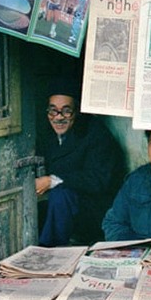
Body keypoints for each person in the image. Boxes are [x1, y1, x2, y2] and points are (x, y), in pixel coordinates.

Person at [34, 81, 125, 247]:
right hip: (59, 210)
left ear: (76, 112)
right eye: (53, 111)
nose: (59, 117)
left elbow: (99, 180)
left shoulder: (95, 134)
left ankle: (50, 249)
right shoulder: (46, 134)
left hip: (92, 210)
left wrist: (52, 180)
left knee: (60, 195)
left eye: (66, 111)